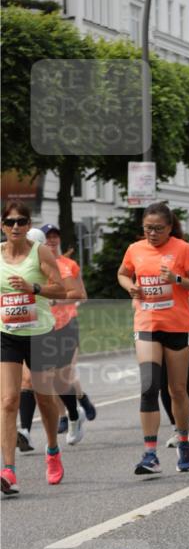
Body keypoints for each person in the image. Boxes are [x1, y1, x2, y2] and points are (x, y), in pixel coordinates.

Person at [117, 202, 189, 475]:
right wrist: (130, 286)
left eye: (157, 229)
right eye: (147, 229)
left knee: (177, 389)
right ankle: (150, 454)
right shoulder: (135, 249)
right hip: (147, 324)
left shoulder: (182, 248)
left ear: (169, 227)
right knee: (148, 387)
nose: (152, 234)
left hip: (178, 326)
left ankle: (183, 440)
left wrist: (177, 278)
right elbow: (122, 273)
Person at [1, 201, 66, 492]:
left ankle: (52, 450)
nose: (16, 226)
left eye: (22, 221)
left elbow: (60, 289)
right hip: (7, 333)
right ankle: (8, 470)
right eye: (10, 222)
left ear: (29, 225)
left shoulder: (40, 252)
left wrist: (34, 288)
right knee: (8, 400)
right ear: (2, 226)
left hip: (40, 333)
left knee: (44, 399)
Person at [42, 223, 96, 443]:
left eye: (55, 236)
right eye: (48, 237)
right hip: (44, 327)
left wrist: (58, 300)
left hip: (67, 323)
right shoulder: (37, 266)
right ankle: (68, 412)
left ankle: (78, 403)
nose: (52, 240)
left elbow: (82, 296)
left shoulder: (69, 265)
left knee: (65, 373)